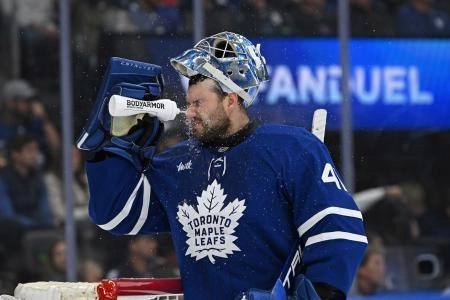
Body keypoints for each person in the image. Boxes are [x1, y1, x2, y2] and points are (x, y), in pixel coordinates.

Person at [79, 32, 367, 299]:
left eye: (199, 103)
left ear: (231, 100)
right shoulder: (178, 163)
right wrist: (119, 147)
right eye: (189, 103)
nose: (189, 112)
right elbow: (114, 213)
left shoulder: (291, 149)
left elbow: (340, 233)